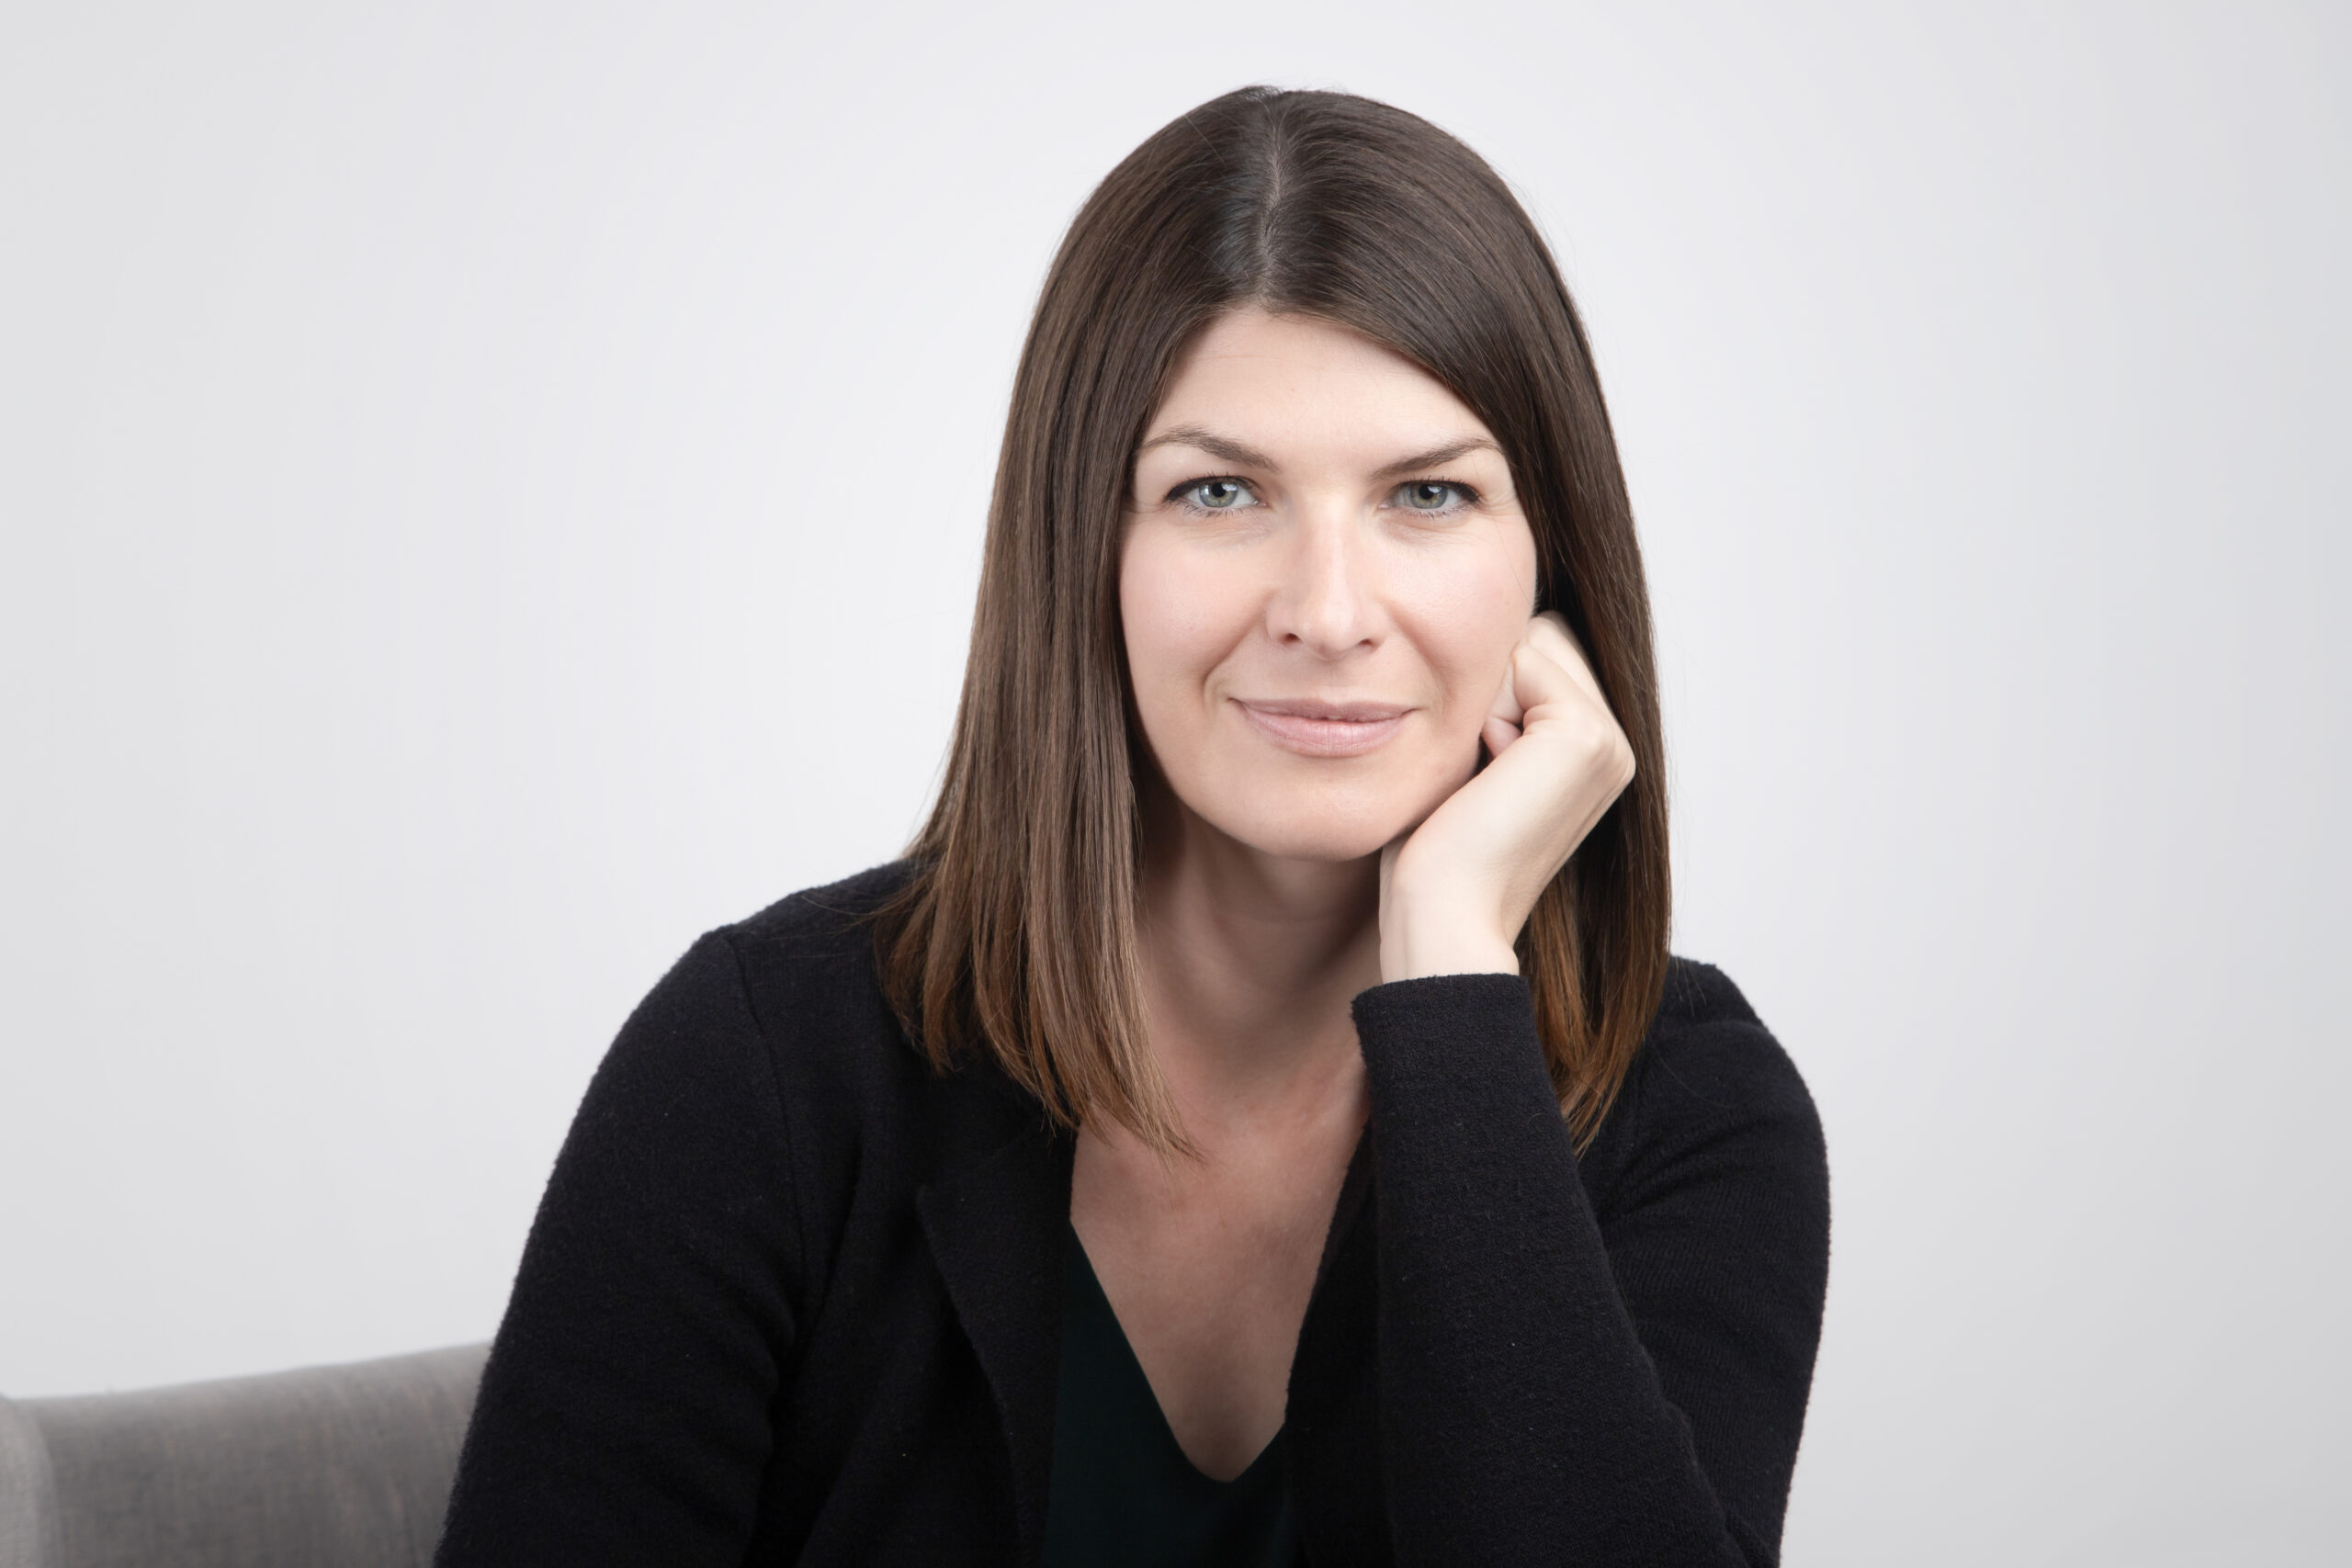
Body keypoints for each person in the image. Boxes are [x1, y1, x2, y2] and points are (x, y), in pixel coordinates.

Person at [435, 85, 1830, 1568]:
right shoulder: (768, 1065)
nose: (1330, 614)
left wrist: (1449, 987)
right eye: (1220, 492)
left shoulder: (1691, 1109)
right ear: (1082, 548)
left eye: (1428, 494)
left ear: (1547, 567)